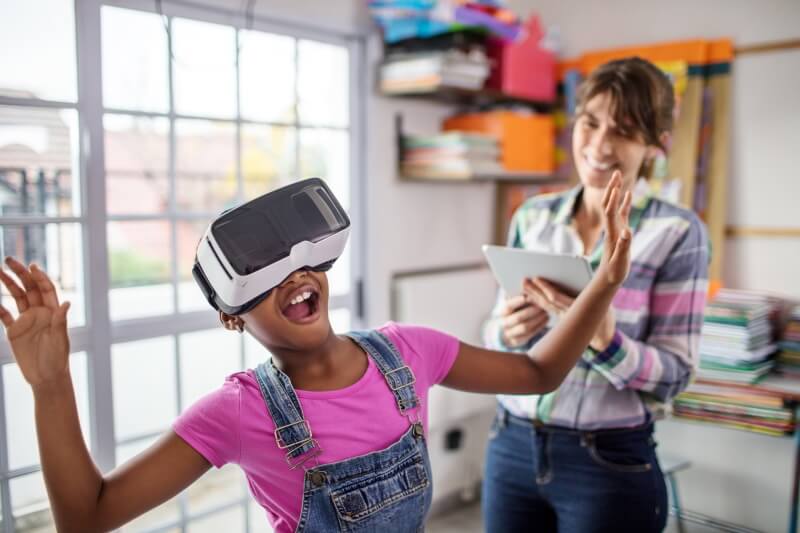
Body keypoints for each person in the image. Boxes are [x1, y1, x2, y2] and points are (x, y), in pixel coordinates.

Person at [0, 175, 631, 533]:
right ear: (230, 314)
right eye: (261, 274)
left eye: (300, 258)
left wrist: (602, 283)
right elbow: (88, 517)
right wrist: (51, 386)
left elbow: (537, 371)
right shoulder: (236, 411)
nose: (293, 277)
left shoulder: (409, 352)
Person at [481, 56, 710, 533]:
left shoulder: (677, 232)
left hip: (607, 462)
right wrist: (507, 331)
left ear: (656, 145)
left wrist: (606, 342)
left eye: (624, 131)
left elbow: (675, 376)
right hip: (511, 444)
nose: (600, 145)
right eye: (590, 123)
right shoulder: (533, 216)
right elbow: (493, 329)